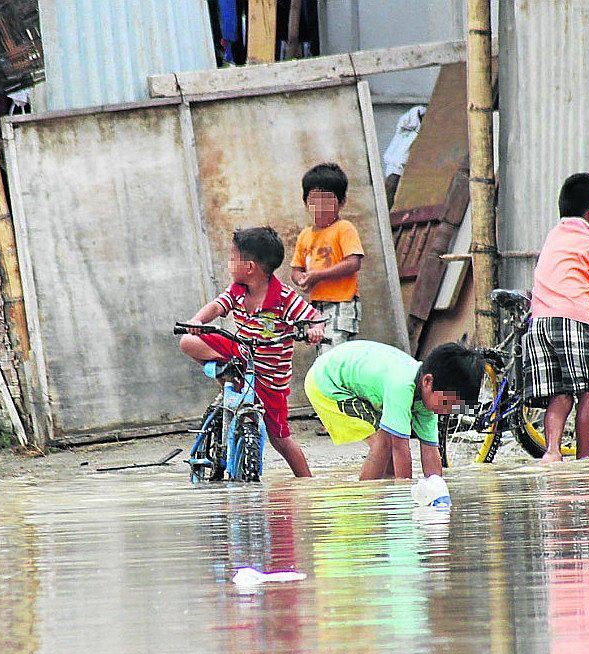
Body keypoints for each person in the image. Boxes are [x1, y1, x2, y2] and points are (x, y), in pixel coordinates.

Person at [179, 227, 325, 478]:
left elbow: (314, 318)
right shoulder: (237, 289)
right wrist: (197, 321)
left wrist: (315, 330)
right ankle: (229, 372)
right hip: (241, 353)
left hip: (271, 379)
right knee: (187, 341)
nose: (229, 263)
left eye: (233, 258)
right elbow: (217, 306)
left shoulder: (284, 298)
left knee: (281, 439)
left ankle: (306, 483)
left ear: (249, 267)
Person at [522, 172, 589, 462]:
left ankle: (552, 452)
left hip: (539, 323)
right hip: (573, 321)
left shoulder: (554, 236)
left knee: (559, 394)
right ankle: (585, 459)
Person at [305, 341, 483, 480]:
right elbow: (400, 447)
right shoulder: (402, 386)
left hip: (351, 380)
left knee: (387, 445)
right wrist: (405, 495)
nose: (444, 412)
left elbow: (430, 449)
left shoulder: (429, 396)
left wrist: (437, 491)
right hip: (327, 383)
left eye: (451, 408)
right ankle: (366, 496)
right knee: (384, 444)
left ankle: (383, 497)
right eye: (445, 403)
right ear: (427, 382)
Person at [290, 163, 364, 357]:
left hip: (342, 302)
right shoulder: (305, 235)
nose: (321, 207)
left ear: (342, 202)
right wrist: (302, 279)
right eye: (315, 200)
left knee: (332, 354)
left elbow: (354, 262)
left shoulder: (344, 228)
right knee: (325, 352)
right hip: (317, 307)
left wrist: (318, 275)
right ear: (306, 202)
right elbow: (296, 269)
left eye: (328, 200)